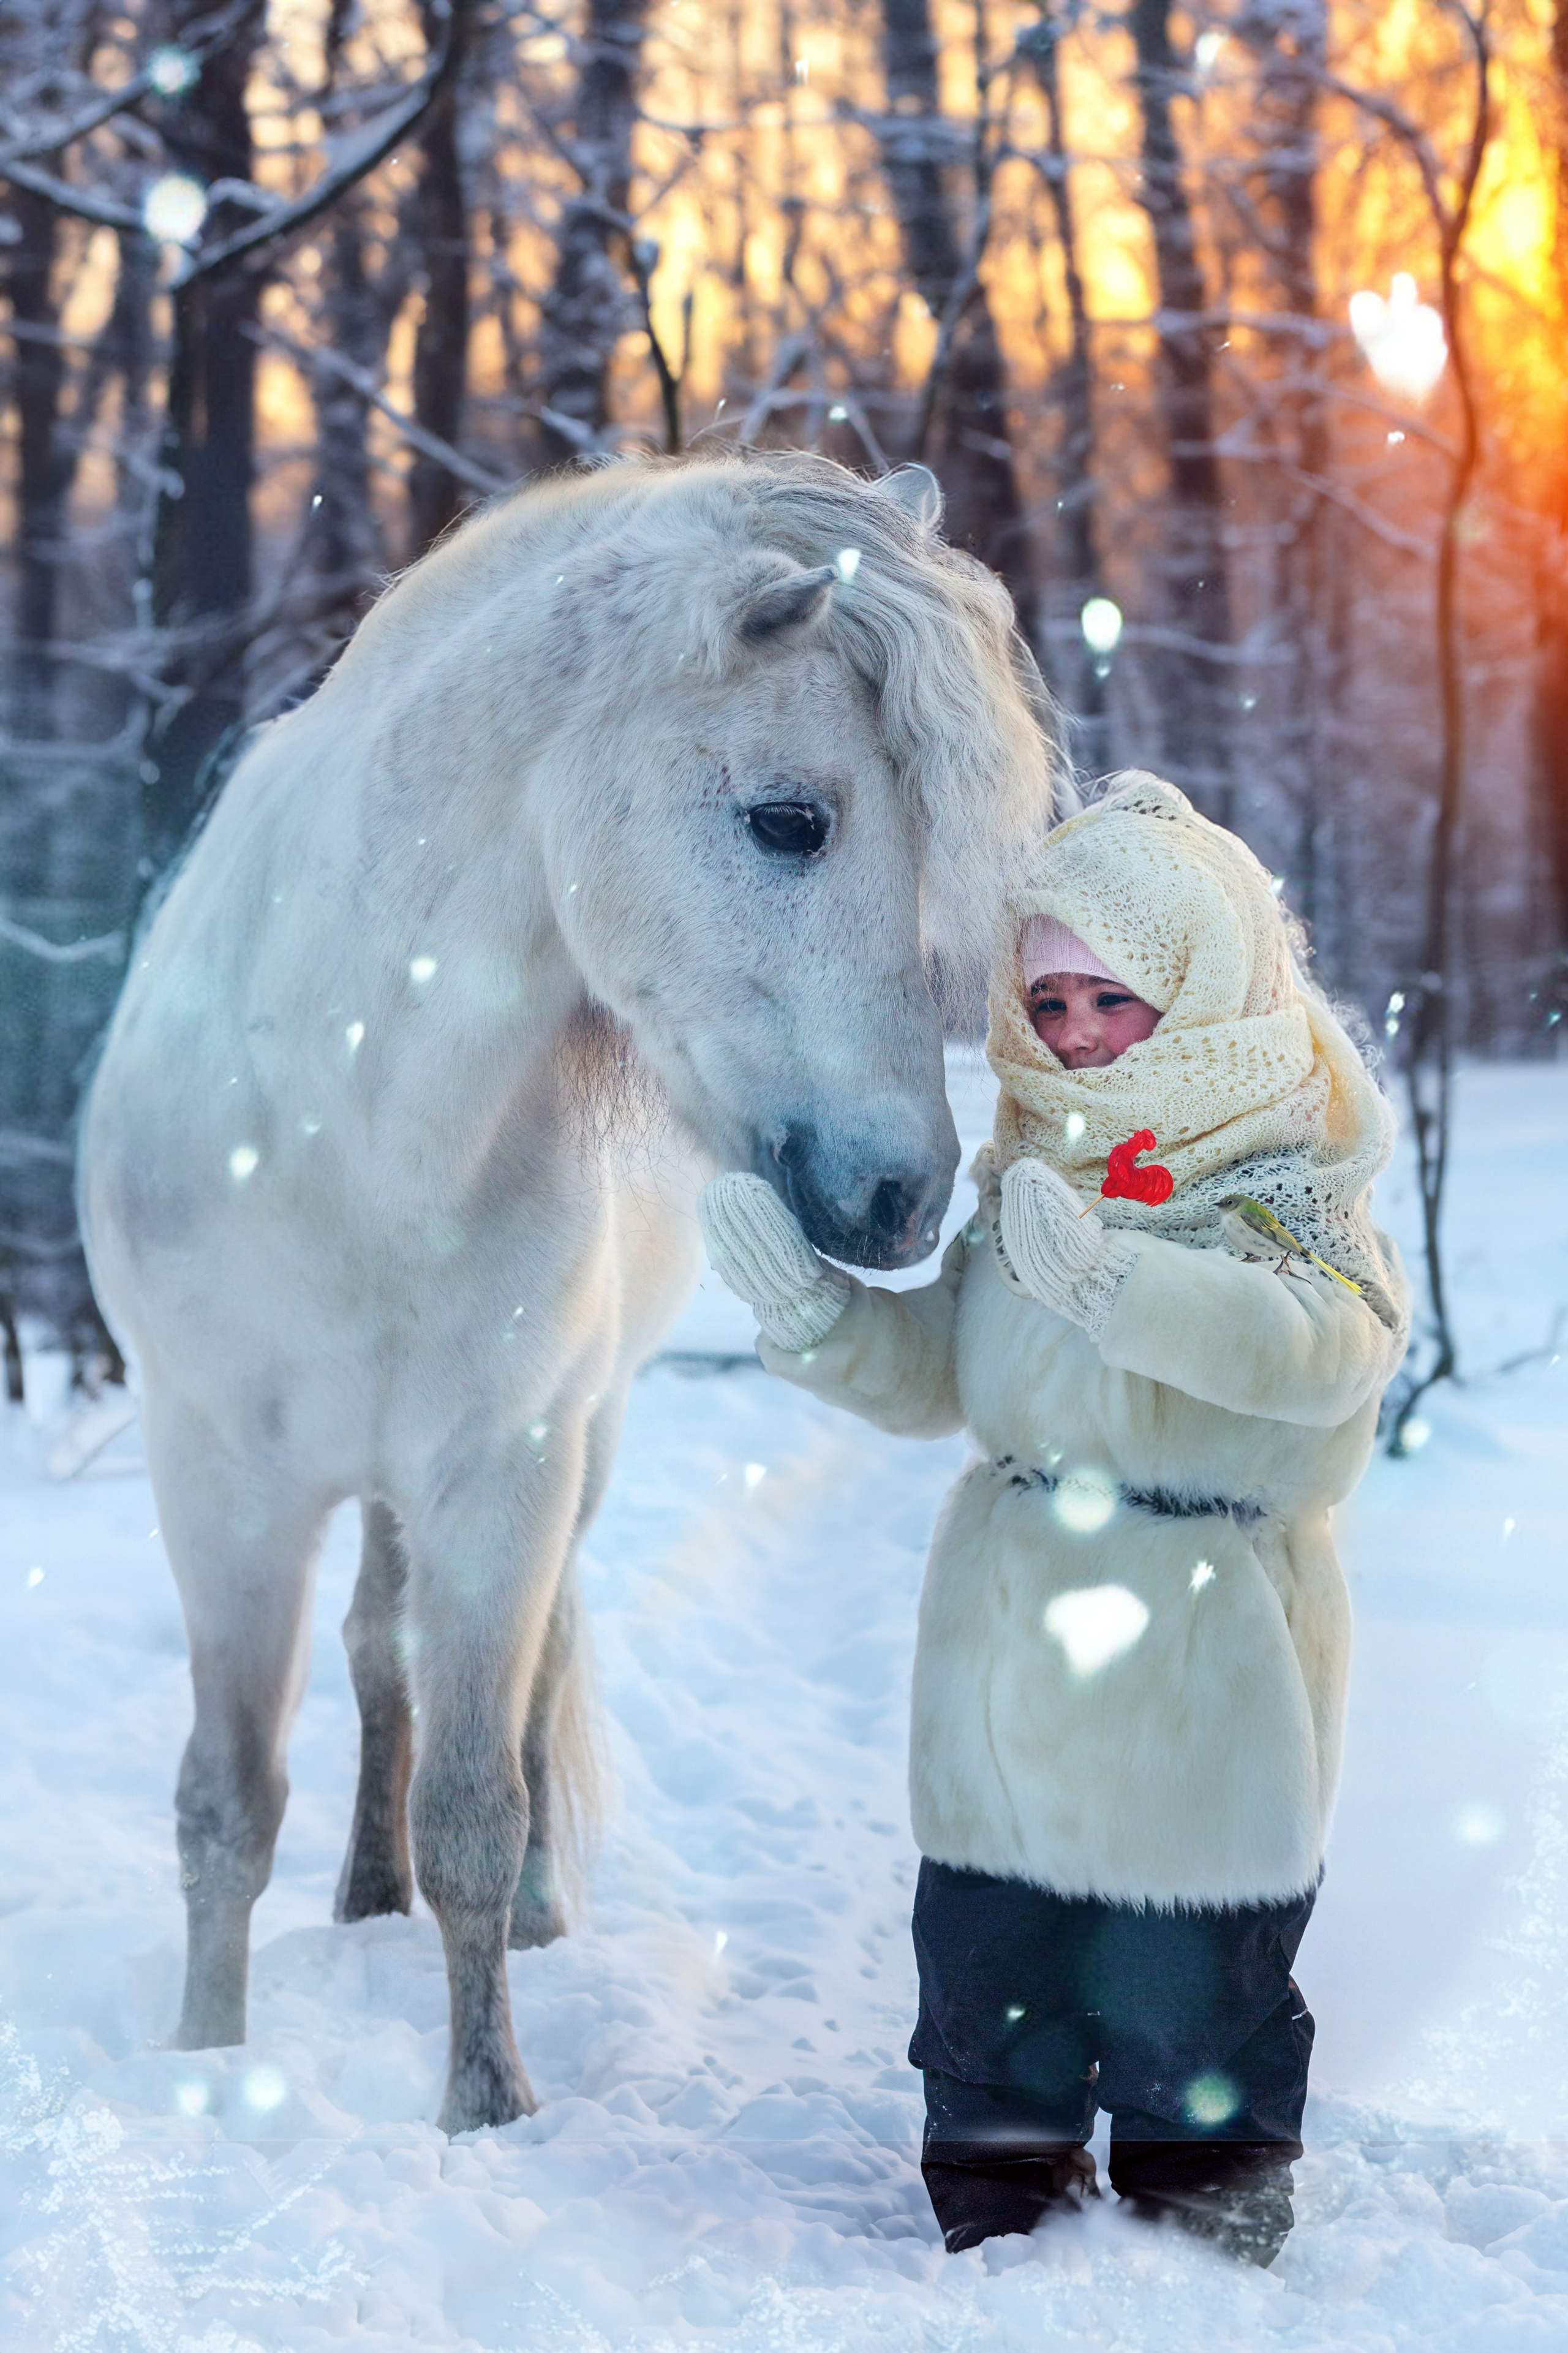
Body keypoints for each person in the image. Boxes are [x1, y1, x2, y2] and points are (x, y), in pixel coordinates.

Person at [698, 772, 1409, 2264]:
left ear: (1201, 981)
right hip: (1009, 1649)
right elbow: (942, 1373)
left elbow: (1324, 1352)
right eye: (1051, 1000)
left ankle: (1201, 2206)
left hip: (1202, 1645)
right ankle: (998, 2194)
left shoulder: (1285, 1176)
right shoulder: (1033, 1160)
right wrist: (813, 1313)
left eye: (1113, 997)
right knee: (989, 1962)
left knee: (1185, 1979)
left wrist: (1118, 1288)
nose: (1076, 1032)